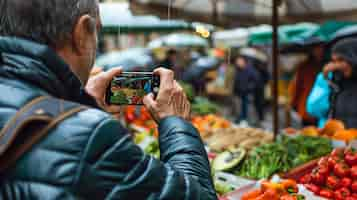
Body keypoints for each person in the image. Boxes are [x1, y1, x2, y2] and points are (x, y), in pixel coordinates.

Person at [0, 1, 217, 199]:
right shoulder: (90, 137)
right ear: (82, 33)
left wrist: (78, 107)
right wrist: (176, 122)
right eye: (97, 31)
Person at [323, 38, 357, 128]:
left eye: (341, 60)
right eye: (334, 61)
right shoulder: (340, 84)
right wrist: (327, 79)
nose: (337, 65)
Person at [288, 45, 324, 126]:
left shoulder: (329, 65)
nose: (319, 51)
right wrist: (293, 103)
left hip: (325, 110)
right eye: (316, 48)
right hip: (308, 109)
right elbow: (296, 87)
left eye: (321, 48)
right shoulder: (304, 67)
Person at [233, 56, 260, 123]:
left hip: (248, 93)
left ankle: (251, 122)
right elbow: (236, 81)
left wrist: (248, 88)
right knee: (240, 109)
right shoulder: (238, 70)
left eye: (239, 61)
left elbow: (256, 81)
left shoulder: (251, 70)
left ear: (244, 61)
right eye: (237, 61)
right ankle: (242, 121)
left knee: (249, 108)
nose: (238, 63)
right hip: (239, 93)